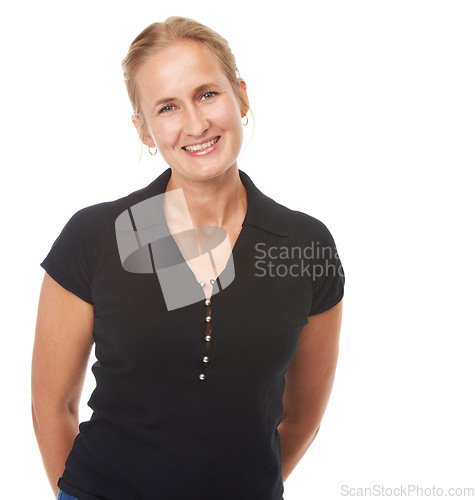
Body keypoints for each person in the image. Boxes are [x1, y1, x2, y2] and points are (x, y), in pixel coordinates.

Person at [31, 16, 345, 500]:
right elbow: (53, 406)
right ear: (143, 129)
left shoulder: (305, 246)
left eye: (207, 94)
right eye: (167, 107)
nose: (196, 124)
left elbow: (302, 417)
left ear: (240, 95)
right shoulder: (94, 236)